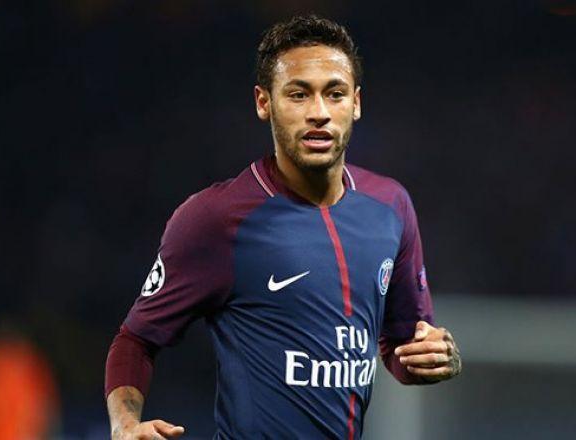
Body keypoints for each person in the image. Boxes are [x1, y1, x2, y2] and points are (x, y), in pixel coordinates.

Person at [105, 15, 461, 439]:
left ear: (356, 103)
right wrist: (125, 426)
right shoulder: (215, 218)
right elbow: (135, 340)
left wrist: (437, 357)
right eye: (298, 94)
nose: (319, 113)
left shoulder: (391, 206)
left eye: (335, 94)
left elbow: (404, 349)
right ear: (264, 103)